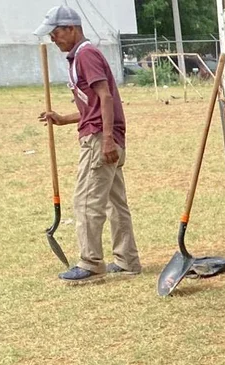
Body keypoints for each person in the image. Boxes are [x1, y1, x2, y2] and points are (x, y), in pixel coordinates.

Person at [36, 5, 141, 284]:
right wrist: (62, 118)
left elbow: (105, 97)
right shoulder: (81, 56)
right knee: (114, 203)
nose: (53, 39)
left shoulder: (86, 55)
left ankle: (91, 263)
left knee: (86, 200)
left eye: (56, 33)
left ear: (72, 28)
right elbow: (92, 106)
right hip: (105, 135)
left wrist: (106, 139)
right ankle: (126, 259)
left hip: (100, 139)